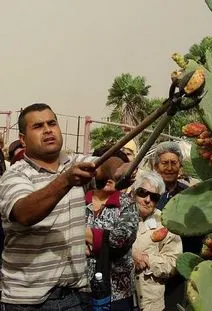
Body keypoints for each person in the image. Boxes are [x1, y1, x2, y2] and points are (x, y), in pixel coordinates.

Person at [0, 103, 131, 310]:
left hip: (75, 296)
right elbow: (25, 213)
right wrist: (65, 180)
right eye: (38, 126)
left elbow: (106, 163)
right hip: (27, 300)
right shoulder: (15, 175)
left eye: (52, 123)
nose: (48, 130)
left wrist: (119, 168)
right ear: (23, 139)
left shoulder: (74, 162)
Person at [84, 145, 139, 310]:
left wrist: (79, 233)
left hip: (117, 295)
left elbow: (118, 239)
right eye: (104, 169)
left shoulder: (127, 204)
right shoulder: (76, 200)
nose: (109, 176)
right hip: (79, 291)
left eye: (115, 171)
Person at [152, 141, 203, 310]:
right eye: (164, 163)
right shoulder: (148, 193)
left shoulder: (189, 194)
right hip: (152, 264)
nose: (169, 168)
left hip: (181, 267)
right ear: (156, 166)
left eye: (174, 163)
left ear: (180, 166)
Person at [131, 171, 182, 311]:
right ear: (133, 192)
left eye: (154, 197)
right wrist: (131, 256)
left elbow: (175, 262)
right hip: (119, 300)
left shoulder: (166, 223)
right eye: (142, 193)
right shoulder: (119, 216)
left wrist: (147, 260)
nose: (147, 199)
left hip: (150, 304)